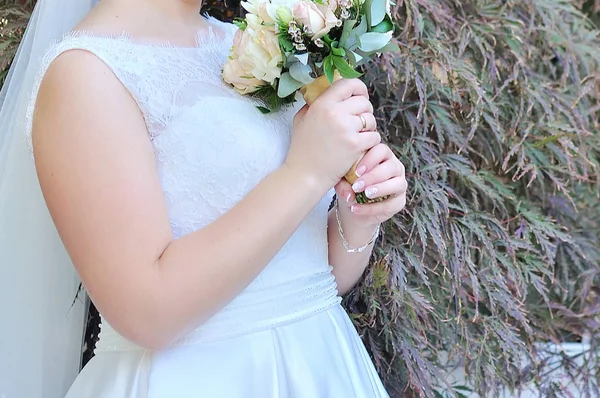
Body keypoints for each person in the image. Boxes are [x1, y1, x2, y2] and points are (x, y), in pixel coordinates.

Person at [0, 0, 408, 396]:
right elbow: (146, 312)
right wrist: (306, 173)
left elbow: (313, 279)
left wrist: (359, 216)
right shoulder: (85, 73)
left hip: (322, 365)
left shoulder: (247, 47)